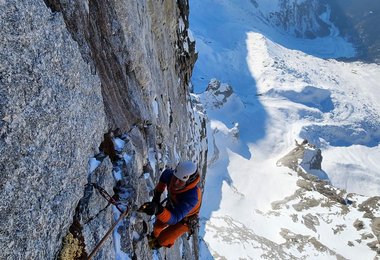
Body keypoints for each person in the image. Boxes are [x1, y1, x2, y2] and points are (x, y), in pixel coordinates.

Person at [139, 161, 202, 249]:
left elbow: (175, 218)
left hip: (186, 219)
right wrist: (156, 197)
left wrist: (158, 210)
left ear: (188, 181)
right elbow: (165, 175)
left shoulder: (192, 196)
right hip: (173, 206)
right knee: (158, 226)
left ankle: (157, 244)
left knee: (164, 239)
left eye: (180, 181)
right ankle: (154, 236)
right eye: (175, 178)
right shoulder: (171, 175)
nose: (175, 182)